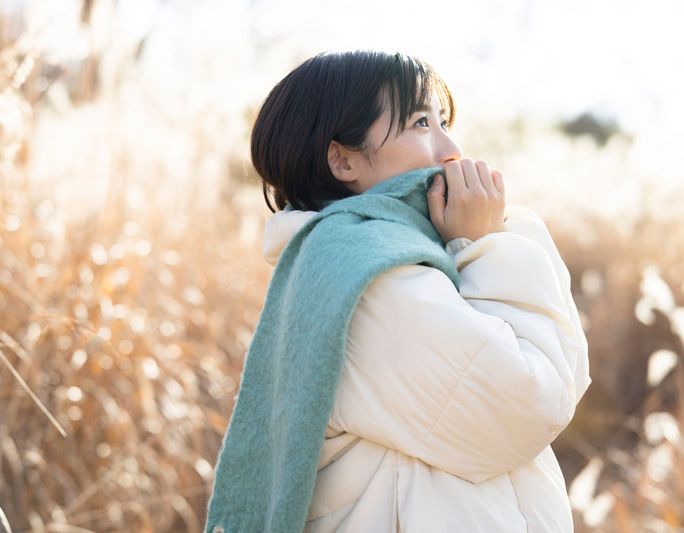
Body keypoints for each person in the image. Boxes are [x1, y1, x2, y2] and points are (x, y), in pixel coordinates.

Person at [205, 50, 590, 533]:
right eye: (421, 123)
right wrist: (486, 244)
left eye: (445, 122)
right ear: (343, 160)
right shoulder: (365, 277)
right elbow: (527, 407)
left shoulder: (389, 259)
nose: (452, 150)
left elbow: (564, 375)